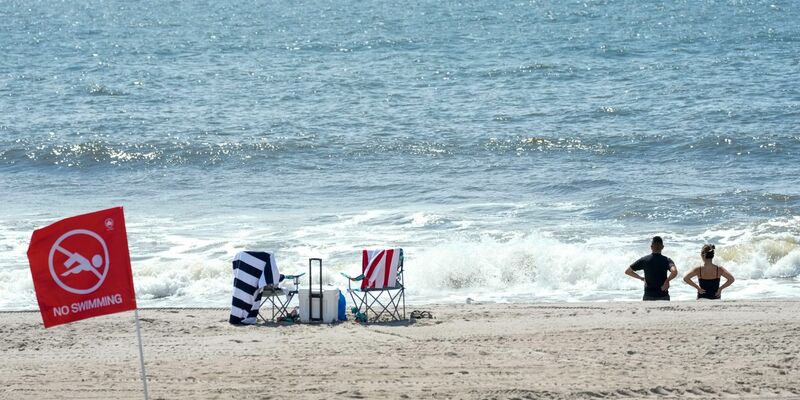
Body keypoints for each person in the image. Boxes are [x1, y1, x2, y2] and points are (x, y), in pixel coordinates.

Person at [625, 236, 678, 300]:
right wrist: (667, 281)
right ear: (662, 247)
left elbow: (628, 271)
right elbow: (674, 271)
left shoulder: (644, 260)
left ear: (651, 247)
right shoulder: (667, 260)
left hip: (648, 295)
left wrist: (641, 278)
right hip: (663, 295)